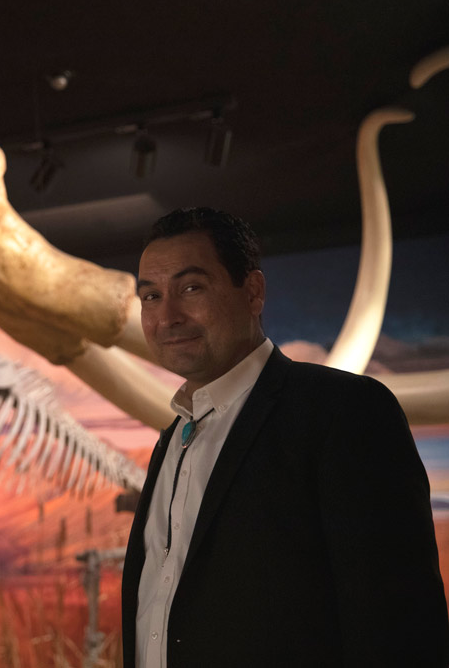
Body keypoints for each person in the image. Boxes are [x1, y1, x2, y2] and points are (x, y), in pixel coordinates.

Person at [121, 207, 449, 667]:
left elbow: (401, 624)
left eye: (191, 288)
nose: (167, 316)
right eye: (150, 296)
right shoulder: (173, 439)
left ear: (252, 292)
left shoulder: (346, 411)